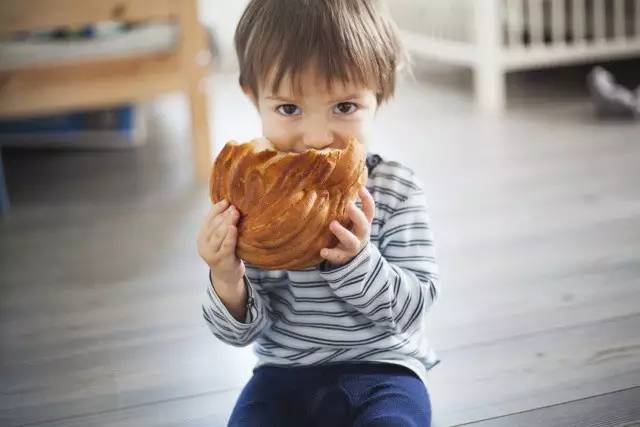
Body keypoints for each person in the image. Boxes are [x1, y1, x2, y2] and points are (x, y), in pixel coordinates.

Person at [197, 1, 440, 425]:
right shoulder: (253, 203)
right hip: (282, 375)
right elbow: (239, 334)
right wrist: (226, 276)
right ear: (252, 96)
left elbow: (412, 308)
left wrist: (358, 263)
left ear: (380, 93)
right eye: (289, 109)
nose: (316, 137)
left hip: (384, 370)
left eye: (344, 107)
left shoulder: (396, 189)